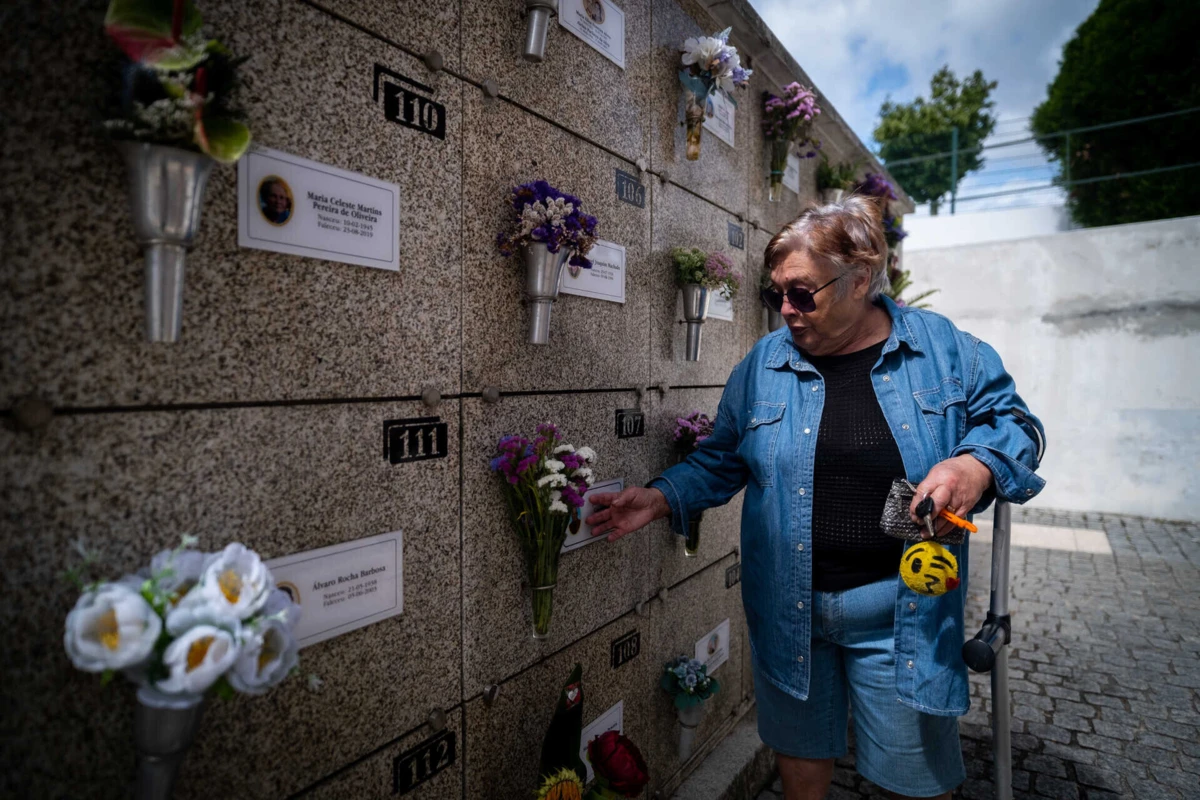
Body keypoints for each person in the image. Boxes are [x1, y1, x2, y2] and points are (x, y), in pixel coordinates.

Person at [586, 196, 1045, 800]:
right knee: (801, 771)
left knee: (913, 783)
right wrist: (664, 497)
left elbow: (1019, 427)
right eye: (774, 293)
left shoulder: (943, 350)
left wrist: (973, 464)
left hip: (902, 612)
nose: (785, 310)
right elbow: (724, 456)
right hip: (789, 609)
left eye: (802, 293)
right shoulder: (764, 365)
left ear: (860, 276)